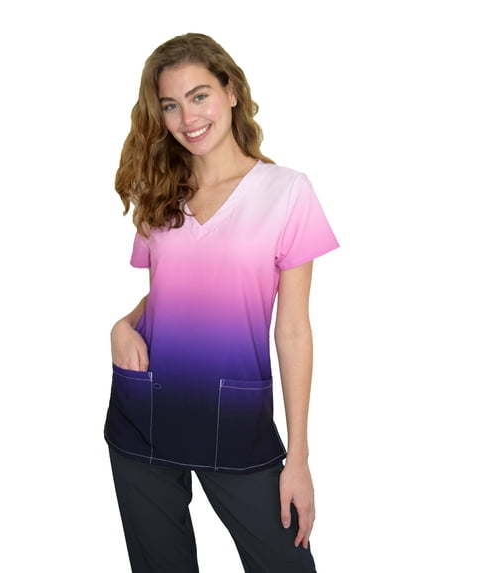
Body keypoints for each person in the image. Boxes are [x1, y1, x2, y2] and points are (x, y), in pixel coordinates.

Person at [104, 32, 339, 573]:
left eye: (199, 96)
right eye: (170, 104)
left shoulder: (286, 192)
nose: (187, 117)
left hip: (236, 421)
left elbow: (293, 329)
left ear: (231, 91)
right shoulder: (161, 191)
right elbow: (172, 292)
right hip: (144, 412)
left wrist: (298, 457)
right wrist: (123, 324)